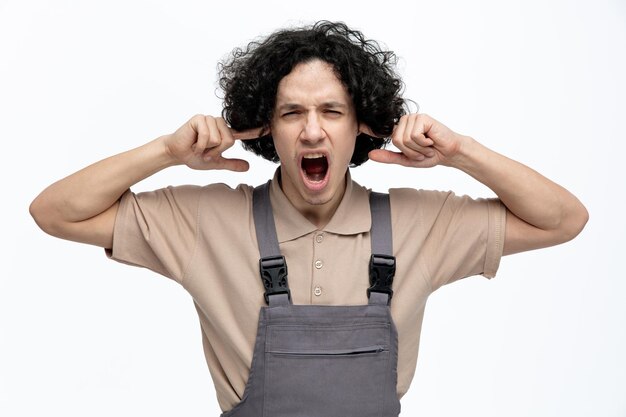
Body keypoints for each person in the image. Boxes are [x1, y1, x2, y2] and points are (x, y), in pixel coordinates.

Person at [30, 21, 588, 416]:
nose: (313, 130)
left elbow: (563, 220)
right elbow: (53, 212)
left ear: (362, 126)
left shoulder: (422, 221)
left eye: (332, 112)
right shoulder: (205, 219)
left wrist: (461, 151)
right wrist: (166, 152)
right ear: (266, 129)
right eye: (292, 112)